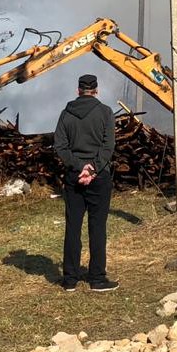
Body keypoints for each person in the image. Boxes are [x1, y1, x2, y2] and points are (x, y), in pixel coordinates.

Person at [53, 73, 117, 292]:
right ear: (96, 90)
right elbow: (109, 146)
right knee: (97, 227)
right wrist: (93, 167)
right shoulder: (105, 112)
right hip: (99, 177)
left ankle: (70, 279)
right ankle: (97, 279)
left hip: (74, 177)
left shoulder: (66, 114)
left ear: (78, 90)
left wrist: (80, 167)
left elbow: (60, 147)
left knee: (73, 227)